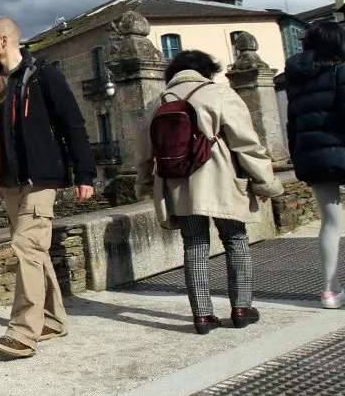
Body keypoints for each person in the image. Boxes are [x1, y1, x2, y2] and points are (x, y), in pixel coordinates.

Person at [0, 17, 96, 358]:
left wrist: (85, 173)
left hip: (41, 178)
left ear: (4, 40)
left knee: (26, 245)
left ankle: (23, 333)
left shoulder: (43, 75)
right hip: (8, 181)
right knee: (35, 251)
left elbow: (73, 123)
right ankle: (52, 320)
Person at [136, 50, 283, 334]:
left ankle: (202, 315)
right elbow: (246, 143)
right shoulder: (219, 94)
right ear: (208, 70)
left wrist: (143, 183)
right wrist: (264, 181)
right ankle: (241, 307)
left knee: (194, 245)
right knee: (236, 239)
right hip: (220, 179)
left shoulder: (158, 102)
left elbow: (143, 151)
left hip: (178, 183)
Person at [285, 22, 345, 308]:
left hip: (314, 157)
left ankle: (330, 291)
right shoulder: (340, 71)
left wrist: (298, 157)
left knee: (331, 223)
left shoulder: (297, 80)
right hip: (342, 150)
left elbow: (292, 125)